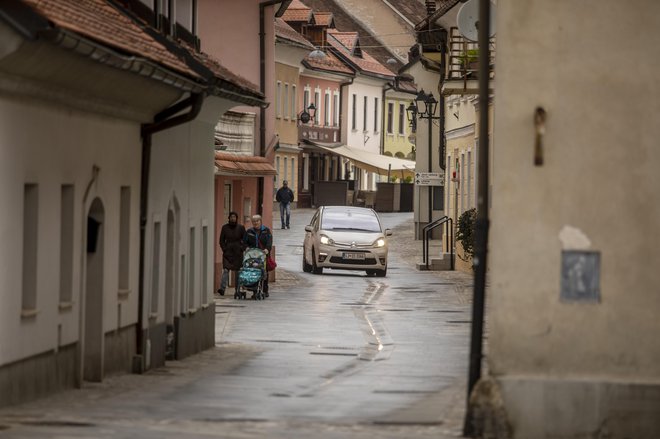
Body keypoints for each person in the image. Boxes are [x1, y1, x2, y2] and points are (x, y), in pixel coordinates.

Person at [243, 214, 272, 297]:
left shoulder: (266, 231)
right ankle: (255, 290)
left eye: (257, 221)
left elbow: (269, 242)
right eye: (254, 221)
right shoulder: (249, 231)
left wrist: (267, 249)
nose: (256, 223)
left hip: (262, 255)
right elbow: (244, 242)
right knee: (253, 271)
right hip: (252, 255)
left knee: (264, 271)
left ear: (260, 221)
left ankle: (265, 290)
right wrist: (246, 248)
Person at [217, 211, 245, 296]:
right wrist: (224, 249)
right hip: (228, 252)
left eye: (234, 217)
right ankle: (222, 288)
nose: (233, 218)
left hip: (238, 252)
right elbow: (221, 240)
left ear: (236, 218)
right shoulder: (224, 228)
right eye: (231, 217)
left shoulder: (241, 228)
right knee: (226, 270)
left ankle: (237, 289)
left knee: (238, 272)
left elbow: (245, 240)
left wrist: (242, 248)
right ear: (229, 218)